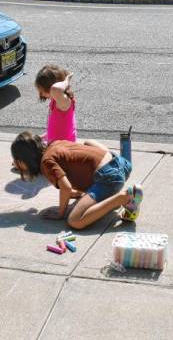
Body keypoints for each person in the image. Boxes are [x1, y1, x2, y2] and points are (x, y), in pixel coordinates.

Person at [11, 131, 142, 229]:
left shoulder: (46, 162)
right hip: (120, 163)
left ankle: (124, 197)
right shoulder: (54, 144)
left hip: (109, 177)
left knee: (75, 220)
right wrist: (78, 196)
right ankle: (112, 197)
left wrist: (60, 213)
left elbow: (66, 188)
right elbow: (72, 188)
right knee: (87, 143)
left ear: (24, 161)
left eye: (16, 161)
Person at [35, 65, 76, 143]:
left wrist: (66, 81)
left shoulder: (65, 102)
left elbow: (55, 89)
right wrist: (44, 137)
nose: (42, 94)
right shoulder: (56, 101)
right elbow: (58, 127)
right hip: (56, 145)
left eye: (42, 91)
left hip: (65, 149)